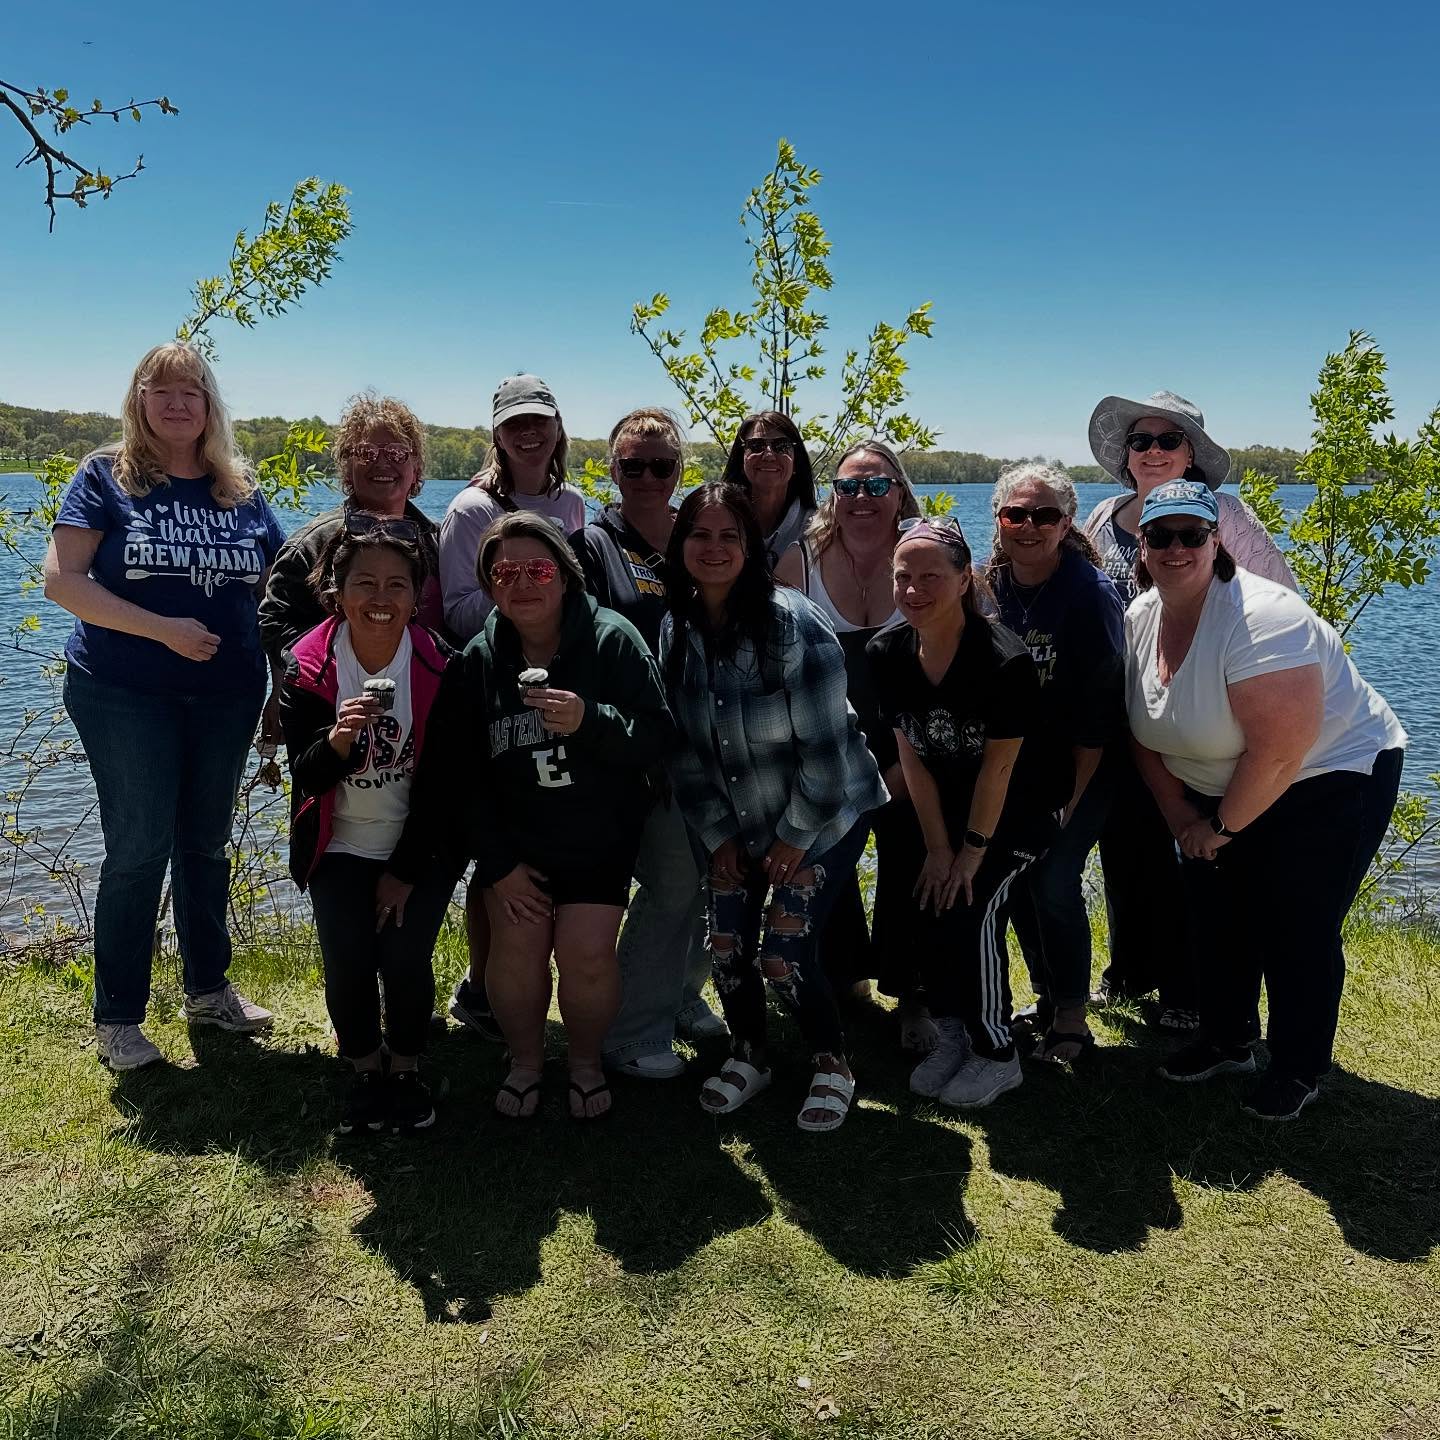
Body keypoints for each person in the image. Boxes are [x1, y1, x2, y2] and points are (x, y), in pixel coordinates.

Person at [1125, 481, 1406, 1120]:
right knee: (1216, 909)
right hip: (1219, 783)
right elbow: (1142, 733)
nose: (1175, 547)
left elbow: (1278, 753)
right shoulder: (1140, 616)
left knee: (1297, 922)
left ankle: (1299, 1065)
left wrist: (1219, 829)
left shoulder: (1265, 617)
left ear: (1215, 540)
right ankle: (1227, 1040)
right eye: (1159, 535)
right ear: (1141, 545)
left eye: (1190, 535)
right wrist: (1182, 822)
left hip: (1328, 773)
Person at [44, 341, 285, 1069]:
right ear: (139, 400)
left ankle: (208, 989)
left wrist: (283, 685)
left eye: (193, 391)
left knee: (206, 843)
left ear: (211, 405)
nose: (178, 403)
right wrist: (164, 631)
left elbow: (277, 595)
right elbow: (64, 583)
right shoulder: (105, 477)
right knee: (140, 846)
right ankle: (119, 1015)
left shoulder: (237, 488)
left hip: (227, 695)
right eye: (162, 390)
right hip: (124, 692)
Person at [413, 512, 672, 1120]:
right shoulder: (479, 660)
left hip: (597, 844)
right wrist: (498, 863)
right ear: (488, 584)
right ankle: (526, 1060)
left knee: (584, 953)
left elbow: (659, 738)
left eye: (538, 568)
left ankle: (584, 1060)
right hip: (517, 847)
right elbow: (461, 775)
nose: (522, 584)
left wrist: (592, 720)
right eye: (505, 572)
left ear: (566, 574)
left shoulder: (611, 639)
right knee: (518, 944)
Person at [661, 483, 887, 1133]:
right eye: (699, 535)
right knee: (727, 942)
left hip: (823, 812)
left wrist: (791, 839)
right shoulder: (675, 629)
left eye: (730, 535)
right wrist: (718, 834)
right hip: (735, 816)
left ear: (751, 549)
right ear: (681, 547)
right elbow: (682, 752)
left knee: (784, 955)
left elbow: (827, 755)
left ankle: (833, 1061)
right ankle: (750, 1053)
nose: (714, 548)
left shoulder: (794, 625)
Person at [1081, 391, 1297, 1029]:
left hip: (1199, 719)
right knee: (1123, 851)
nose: (1151, 452)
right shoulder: (1102, 517)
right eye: (1140, 441)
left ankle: (1187, 989)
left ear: (1192, 455)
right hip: (1121, 715)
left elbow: (1280, 604)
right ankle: (1128, 971)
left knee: (1192, 854)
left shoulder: (1224, 516)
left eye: (1166, 441)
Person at [868, 518, 1061, 1108]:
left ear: (963, 579)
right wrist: (937, 849)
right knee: (932, 902)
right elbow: (912, 757)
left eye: (931, 576)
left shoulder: (1004, 660)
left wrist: (970, 854)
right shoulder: (887, 652)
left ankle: (997, 1051)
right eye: (903, 577)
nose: (913, 590)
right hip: (946, 813)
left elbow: (999, 771)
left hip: (1016, 812)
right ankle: (953, 1033)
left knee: (972, 909)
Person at [280, 526, 460, 1135]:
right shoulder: (307, 667)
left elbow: (444, 790)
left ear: (415, 597)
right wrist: (336, 742)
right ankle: (364, 1067)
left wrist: (405, 873)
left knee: (406, 960)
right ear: (336, 591)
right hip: (337, 847)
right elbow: (305, 778)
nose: (380, 596)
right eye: (364, 582)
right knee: (348, 963)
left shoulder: (441, 666)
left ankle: (405, 1067)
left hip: (418, 846)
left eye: (396, 584)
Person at [569, 408, 726, 1076]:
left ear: (679, 471)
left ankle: (682, 994)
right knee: (671, 882)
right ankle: (630, 1030)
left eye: (661, 465)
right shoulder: (592, 545)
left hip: (710, 744)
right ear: (612, 469)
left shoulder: (700, 538)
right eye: (632, 465)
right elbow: (585, 645)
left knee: (709, 880)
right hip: (637, 750)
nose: (647, 477)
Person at [439, 375, 586, 1048]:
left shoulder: (574, 503)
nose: (529, 432)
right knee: (495, 852)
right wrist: (531, 600)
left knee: (549, 834)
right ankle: (481, 989)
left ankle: (515, 987)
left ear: (558, 428)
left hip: (564, 691)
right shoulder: (473, 508)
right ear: (496, 433)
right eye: (514, 423)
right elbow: (456, 610)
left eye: (540, 421)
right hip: (498, 690)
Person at [774, 439, 934, 1050]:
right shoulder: (798, 562)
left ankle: (913, 995)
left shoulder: (928, 552)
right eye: (848, 487)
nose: (862, 498)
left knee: (911, 868)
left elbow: (966, 642)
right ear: (832, 497)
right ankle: (844, 980)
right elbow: (774, 662)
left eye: (876, 486)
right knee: (825, 868)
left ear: (900, 494)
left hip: (913, 747)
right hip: (826, 749)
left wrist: (906, 764)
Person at [984, 463, 1125, 1062]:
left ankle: (1072, 1017)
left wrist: (1067, 804)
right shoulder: (989, 585)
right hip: (1015, 767)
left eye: (1045, 515)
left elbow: (1096, 721)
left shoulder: (1090, 596)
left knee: (1055, 878)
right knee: (1013, 881)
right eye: (1017, 513)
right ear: (1000, 520)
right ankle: (1044, 996)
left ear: (1066, 523)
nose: (1029, 526)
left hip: (1084, 765)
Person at [258, 391, 442, 659]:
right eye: (366, 452)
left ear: (416, 467)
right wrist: (334, 669)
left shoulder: (438, 542)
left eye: (397, 453)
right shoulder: (310, 546)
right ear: (347, 467)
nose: (382, 462)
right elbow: (275, 624)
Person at [720, 411, 818, 569]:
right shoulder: (719, 518)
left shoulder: (816, 529)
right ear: (741, 459)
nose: (769, 455)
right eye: (756, 446)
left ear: (796, 462)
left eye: (782, 446)